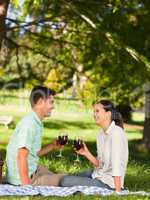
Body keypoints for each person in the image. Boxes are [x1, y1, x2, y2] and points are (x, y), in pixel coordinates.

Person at [59, 100, 128, 192]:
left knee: (65, 181)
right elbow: (100, 164)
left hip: (109, 184)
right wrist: (86, 153)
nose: (94, 114)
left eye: (97, 111)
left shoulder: (116, 133)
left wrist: (118, 191)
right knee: (67, 177)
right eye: (94, 111)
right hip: (98, 175)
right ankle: (90, 182)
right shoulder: (100, 134)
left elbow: (117, 165)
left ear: (108, 114)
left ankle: (96, 184)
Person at [6, 86, 65, 186]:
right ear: (41, 102)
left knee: (64, 175)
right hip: (25, 179)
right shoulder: (29, 124)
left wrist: (52, 146)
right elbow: (21, 156)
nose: (53, 106)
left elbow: (33, 153)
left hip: (33, 169)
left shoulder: (35, 121)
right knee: (65, 180)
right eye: (51, 102)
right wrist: (26, 187)